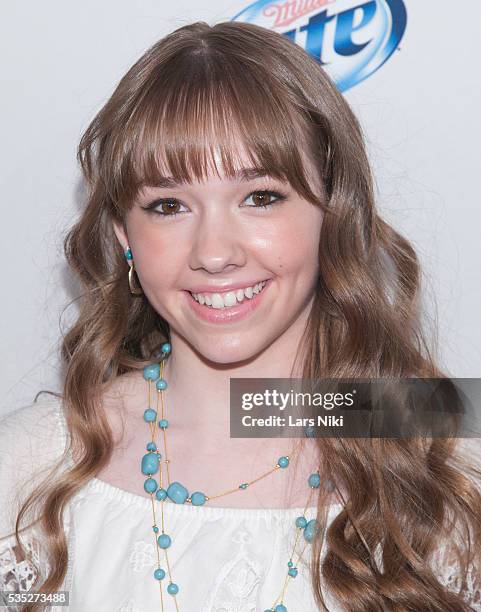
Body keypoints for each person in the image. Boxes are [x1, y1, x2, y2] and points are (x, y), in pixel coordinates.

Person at [1, 20, 480, 612]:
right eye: (169, 205)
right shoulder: (27, 472)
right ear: (125, 236)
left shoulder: (446, 464)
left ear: (334, 211)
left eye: (260, 197)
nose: (214, 253)